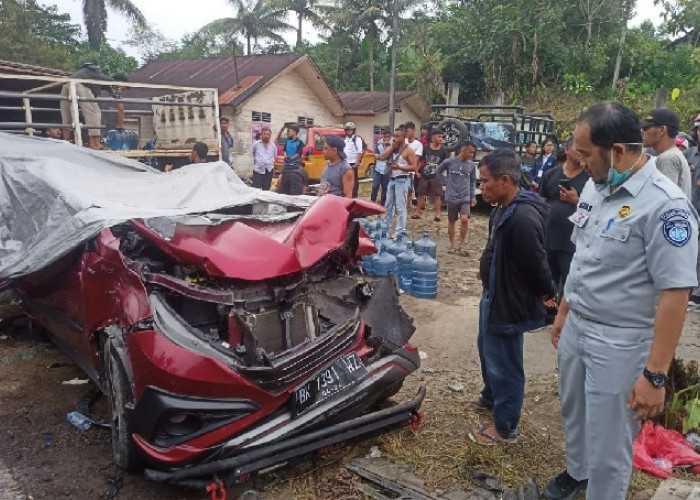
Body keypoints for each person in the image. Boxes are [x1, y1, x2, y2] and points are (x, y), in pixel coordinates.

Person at [544, 102, 698, 500]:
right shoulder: (598, 186)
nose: (577, 160)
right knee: (574, 413)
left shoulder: (666, 207)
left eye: (585, 153)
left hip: (620, 340)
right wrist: (565, 311)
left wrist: (655, 375)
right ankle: (577, 474)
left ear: (616, 151)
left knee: (610, 442)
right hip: (579, 325)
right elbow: (583, 256)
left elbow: (675, 294)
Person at [471, 149, 556, 446]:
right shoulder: (500, 210)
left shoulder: (522, 217)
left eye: (485, 182)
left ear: (505, 180)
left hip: (507, 301)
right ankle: (490, 397)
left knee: (505, 362)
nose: (482, 188)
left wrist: (547, 293)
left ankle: (506, 428)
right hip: (493, 294)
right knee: (487, 349)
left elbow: (536, 264)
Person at [538, 139, 590, 299]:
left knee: (569, 285)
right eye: (577, 148)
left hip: (573, 243)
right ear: (567, 150)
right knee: (547, 284)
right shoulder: (551, 174)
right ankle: (547, 318)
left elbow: (598, 208)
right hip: (549, 240)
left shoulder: (590, 178)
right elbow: (542, 203)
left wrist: (576, 201)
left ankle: (564, 319)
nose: (581, 152)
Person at [60, 62, 122, 150]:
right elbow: (120, 103)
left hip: (67, 83)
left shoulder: (92, 74)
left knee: (67, 114)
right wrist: (120, 124)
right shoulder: (111, 82)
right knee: (94, 112)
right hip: (80, 83)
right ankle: (95, 144)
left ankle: (65, 142)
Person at [641, 109, 691, 199]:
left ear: (662, 130)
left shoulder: (668, 158)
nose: (643, 132)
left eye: (646, 128)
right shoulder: (674, 154)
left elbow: (664, 198)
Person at [438, 142, 478, 255]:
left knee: (464, 219)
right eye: (470, 152)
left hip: (465, 196)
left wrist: (473, 196)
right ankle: (452, 245)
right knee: (452, 221)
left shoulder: (471, 165)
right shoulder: (449, 162)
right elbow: (438, 171)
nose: (471, 155)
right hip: (451, 196)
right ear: (463, 150)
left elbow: (472, 181)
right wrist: (445, 182)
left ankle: (461, 244)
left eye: (473, 153)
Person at [378, 127, 419, 237]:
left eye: (398, 137)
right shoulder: (393, 148)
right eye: (394, 136)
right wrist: (392, 148)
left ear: (404, 137)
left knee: (400, 207)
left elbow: (414, 166)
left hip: (402, 180)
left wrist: (400, 167)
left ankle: (400, 231)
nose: (395, 139)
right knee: (388, 205)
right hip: (391, 180)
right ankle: (386, 227)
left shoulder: (408, 150)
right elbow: (382, 157)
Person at [413, 128, 447, 221]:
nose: (440, 139)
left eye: (442, 137)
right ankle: (417, 212)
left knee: (437, 195)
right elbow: (421, 161)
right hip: (425, 173)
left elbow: (445, 164)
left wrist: (441, 174)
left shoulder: (444, 150)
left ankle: (438, 214)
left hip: (436, 175)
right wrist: (417, 171)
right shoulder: (426, 148)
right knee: (421, 194)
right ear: (433, 137)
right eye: (439, 136)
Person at [404, 121, 424, 211]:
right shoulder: (403, 141)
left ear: (413, 130)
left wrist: (411, 165)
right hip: (400, 169)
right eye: (405, 131)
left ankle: (408, 205)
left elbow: (417, 158)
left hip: (410, 170)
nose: (406, 133)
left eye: (408, 131)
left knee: (409, 190)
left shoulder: (418, 144)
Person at [343, 122, 364, 198]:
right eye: (347, 130)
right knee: (345, 179)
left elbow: (360, 152)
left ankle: (354, 197)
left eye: (350, 130)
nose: (349, 131)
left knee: (353, 181)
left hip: (353, 163)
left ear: (353, 131)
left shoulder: (357, 139)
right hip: (345, 163)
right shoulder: (344, 139)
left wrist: (357, 163)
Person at [371, 130, 392, 205]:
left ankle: (383, 203)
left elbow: (390, 157)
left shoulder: (392, 145)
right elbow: (376, 156)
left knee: (385, 187)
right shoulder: (378, 144)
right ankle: (372, 201)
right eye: (385, 137)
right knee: (375, 185)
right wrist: (382, 157)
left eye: (388, 137)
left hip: (387, 169)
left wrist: (383, 155)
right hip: (378, 168)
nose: (386, 138)